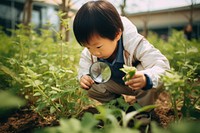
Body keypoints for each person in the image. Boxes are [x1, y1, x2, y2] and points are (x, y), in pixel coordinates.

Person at [73, 0, 170, 125]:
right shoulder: (90, 52)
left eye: (98, 47)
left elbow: (162, 66)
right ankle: (118, 107)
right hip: (115, 84)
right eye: (87, 47)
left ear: (117, 34)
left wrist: (147, 78)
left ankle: (142, 111)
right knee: (92, 85)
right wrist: (83, 76)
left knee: (147, 75)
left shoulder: (135, 44)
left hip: (138, 85)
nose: (93, 52)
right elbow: (84, 66)